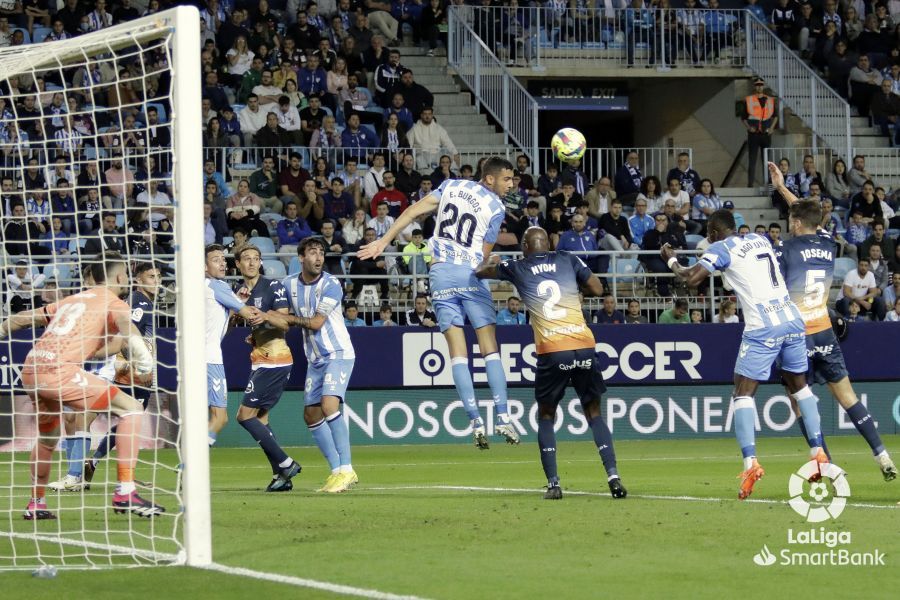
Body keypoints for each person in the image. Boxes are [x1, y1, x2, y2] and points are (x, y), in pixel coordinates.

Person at [662, 209, 826, 500]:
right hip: (791, 318)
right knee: (799, 387)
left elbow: (691, 279)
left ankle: (750, 464)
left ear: (713, 232)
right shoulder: (759, 239)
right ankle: (818, 454)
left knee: (742, 393)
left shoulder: (720, 246)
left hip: (763, 325)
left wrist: (671, 259)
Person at [358, 156, 520, 448]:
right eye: (507, 179)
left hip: (440, 274)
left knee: (458, 353)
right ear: (491, 178)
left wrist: (384, 241)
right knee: (489, 349)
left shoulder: (451, 185)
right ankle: (504, 417)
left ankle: (474, 421)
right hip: (470, 274)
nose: (511, 185)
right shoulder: (496, 207)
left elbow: (412, 211)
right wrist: (496, 260)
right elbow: (483, 257)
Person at [0, 255, 164, 519]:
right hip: (59, 371)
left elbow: (20, 319)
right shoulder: (115, 302)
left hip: (31, 370)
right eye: (125, 272)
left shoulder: (71, 300)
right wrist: (144, 359)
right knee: (132, 409)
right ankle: (125, 491)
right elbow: (128, 329)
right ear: (120, 277)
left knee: (48, 438)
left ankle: (36, 504)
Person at [475, 227, 626, 500]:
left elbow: (480, 272)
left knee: (546, 415)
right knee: (594, 413)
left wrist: (487, 262)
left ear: (524, 245)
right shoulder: (567, 258)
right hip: (583, 345)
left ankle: (554, 484)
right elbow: (596, 288)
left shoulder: (517, 266)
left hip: (553, 350)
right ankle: (613, 477)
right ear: (549, 243)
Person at [768, 163, 897, 480]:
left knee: (801, 403)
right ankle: (882, 455)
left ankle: (825, 464)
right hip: (825, 331)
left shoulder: (784, 249)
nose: (788, 222)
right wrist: (783, 188)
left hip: (797, 337)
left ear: (796, 224)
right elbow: (808, 214)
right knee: (849, 397)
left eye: (789, 220)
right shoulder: (828, 242)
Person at [281, 238, 358, 492]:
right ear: (301, 257)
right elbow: (275, 307)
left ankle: (347, 469)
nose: (318, 257)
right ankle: (336, 471)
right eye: (313, 252)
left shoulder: (331, 284)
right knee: (311, 414)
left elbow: (315, 323)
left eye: (321, 253)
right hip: (315, 359)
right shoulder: (289, 283)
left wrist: (287, 319)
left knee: (328, 405)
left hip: (338, 353)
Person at [81, 264, 161, 489]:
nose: (156, 280)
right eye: (150, 276)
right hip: (134, 373)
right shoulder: (140, 302)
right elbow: (127, 337)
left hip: (128, 370)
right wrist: (138, 365)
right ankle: (117, 476)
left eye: (158, 276)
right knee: (130, 419)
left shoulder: (141, 302)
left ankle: (91, 463)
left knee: (126, 419)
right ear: (138, 280)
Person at [230, 244, 302, 492]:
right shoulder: (238, 292)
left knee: (243, 415)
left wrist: (264, 316)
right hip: (260, 356)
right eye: (246, 259)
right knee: (261, 418)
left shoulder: (273, 286)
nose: (251, 262)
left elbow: (284, 323)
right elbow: (231, 324)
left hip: (276, 358)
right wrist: (235, 310)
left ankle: (286, 462)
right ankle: (281, 476)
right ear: (238, 264)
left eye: (256, 258)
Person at [205, 244, 265, 447]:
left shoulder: (204, 288)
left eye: (223, 259)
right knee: (220, 418)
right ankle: (189, 465)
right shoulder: (217, 286)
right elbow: (251, 314)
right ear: (204, 267)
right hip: (209, 359)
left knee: (202, 419)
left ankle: (188, 463)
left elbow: (224, 326)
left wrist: (236, 306)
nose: (222, 263)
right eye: (215, 259)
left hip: (195, 358)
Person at [742, 77, 778, 188]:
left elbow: (775, 116)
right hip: (753, 135)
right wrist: (748, 127)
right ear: (754, 86)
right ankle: (750, 184)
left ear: (763, 86)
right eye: (757, 84)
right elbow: (743, 117)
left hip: (766, 134)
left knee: (767, 161)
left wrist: (772, 128)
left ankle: (768, 183)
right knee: (752, 160)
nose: (759, 86)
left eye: (761, 84)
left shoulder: (770, 100)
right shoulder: (749, 100)